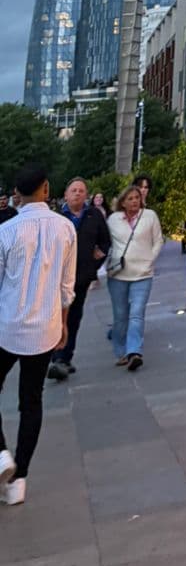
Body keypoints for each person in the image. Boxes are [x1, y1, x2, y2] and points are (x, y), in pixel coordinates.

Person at [0, 164, 76, 504]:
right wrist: (63, 323)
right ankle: (20, 479)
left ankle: (2, 454)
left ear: (17, 192)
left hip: (8, 325)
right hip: (45, 327)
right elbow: (66, 286)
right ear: (46, 188)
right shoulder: (65, 229)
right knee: (31, 401)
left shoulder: (7, 231)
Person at [48, 178, 110, 380]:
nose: (77, 194)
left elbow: (104, 242)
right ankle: (56, 356)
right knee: (56, 317)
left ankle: (64, 358)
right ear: (66, 195)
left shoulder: (93, 215)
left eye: (81, 191)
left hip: (81, 277)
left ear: (87, 195)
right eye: (73, 190)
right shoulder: (56, 218)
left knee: (73, 318)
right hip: (56, 278)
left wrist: (94, 265)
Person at [106, 183, 164, 371]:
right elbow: (106, 241)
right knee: (121, 315)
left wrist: (150, 259)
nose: (134, 202)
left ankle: (134, 351)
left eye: (137, 198)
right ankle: (121, 351)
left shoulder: (150, 216)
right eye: (130, 199)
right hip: (118, 274)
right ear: (122, 202)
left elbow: (158, 240)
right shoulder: (113, 219)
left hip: (143, 273)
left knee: (137, 313)